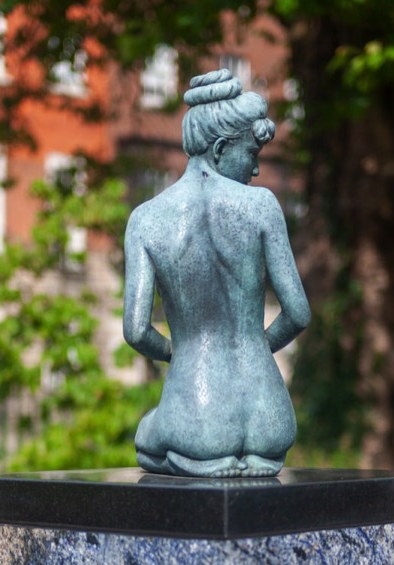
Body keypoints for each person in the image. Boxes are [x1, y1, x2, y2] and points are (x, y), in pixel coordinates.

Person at [123, 69, 310, 477]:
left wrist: (178, 353)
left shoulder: (147, 219)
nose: (257, 171)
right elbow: (298, 313)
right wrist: (253, 347)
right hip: (271, 426)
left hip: (198, 424)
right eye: (252, 155)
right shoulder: (263, 206)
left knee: (146, 437)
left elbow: (136, 331)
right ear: (222, 148)